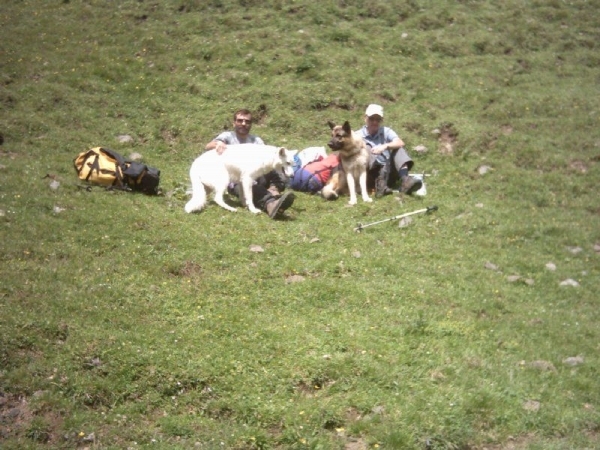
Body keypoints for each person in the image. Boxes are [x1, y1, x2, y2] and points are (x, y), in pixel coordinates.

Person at [204, 108, 295, 219]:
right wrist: (218, 143)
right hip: (237, 179)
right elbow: (208, 146)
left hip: (257, 174)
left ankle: (274, 191)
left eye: (247, 122)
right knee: (249, 184)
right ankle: (270, 204)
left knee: (278, 170)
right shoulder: (227, 136)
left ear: (251, 124)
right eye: (240, 120)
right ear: (234, 123)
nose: (243, 124)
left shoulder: (256, 140)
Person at [355, 104, 422, 197]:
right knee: (367, 148)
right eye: (371, 119)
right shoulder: (356, 135)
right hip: (368, 174)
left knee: (399, 149)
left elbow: (400, 142)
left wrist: (385, 146)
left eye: (378, 120)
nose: (374, 122)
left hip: (388, 171)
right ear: (365, 118)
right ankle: (380, 185)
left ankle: (405, 181)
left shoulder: (386, 131)